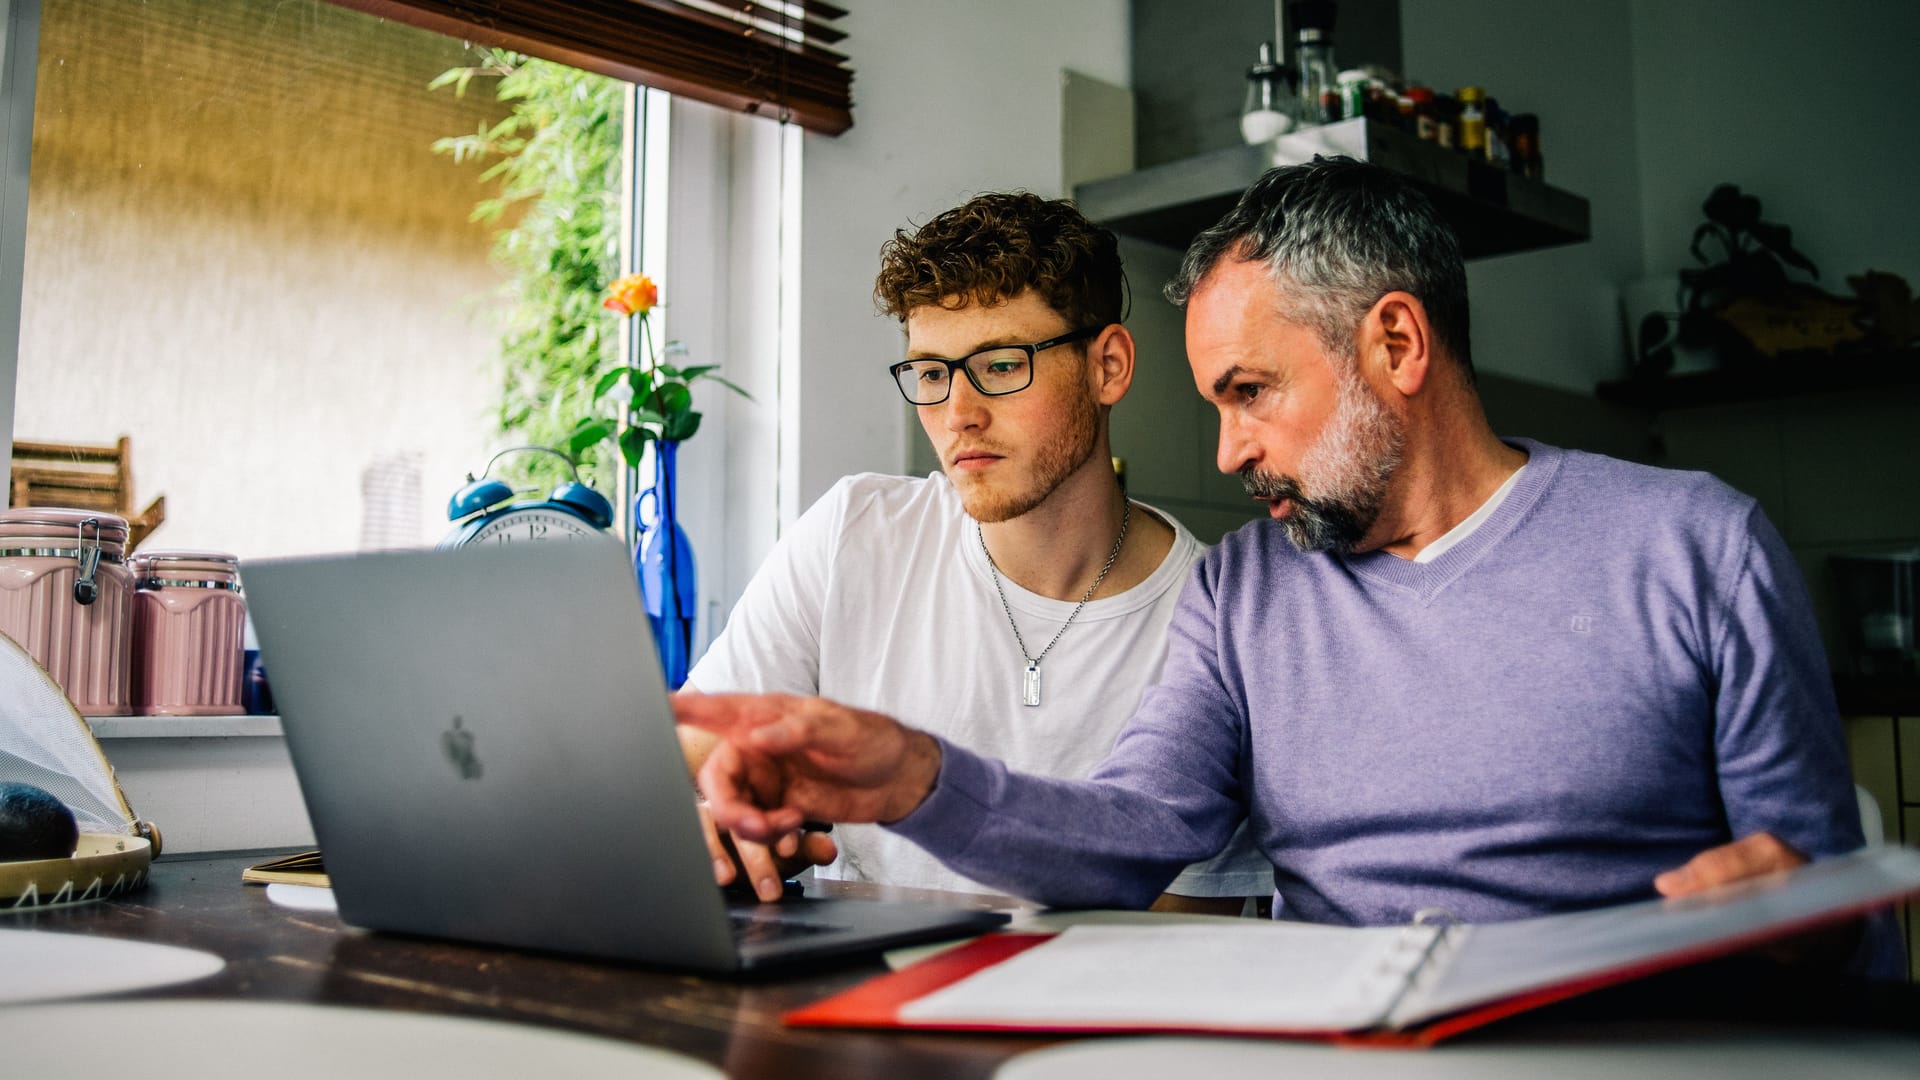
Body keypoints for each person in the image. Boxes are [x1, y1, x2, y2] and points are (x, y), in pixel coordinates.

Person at [678, 158, 1898, 975]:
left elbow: (1826, 904)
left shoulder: (1698, 548)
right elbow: (1131, 831)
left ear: (1398, 343)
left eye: (1251, 393)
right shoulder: (1246, 589)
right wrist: (914, 776)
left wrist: (1789, 923)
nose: (1226, 448)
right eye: (1216, 399)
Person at [680, 191, 1268, 908]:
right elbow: (692, 757)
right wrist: (710, 820)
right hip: (850, 1002)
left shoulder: (1214, 617)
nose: (958, 414)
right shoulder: (853, 531)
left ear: (1107, 366)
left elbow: (1178, 939)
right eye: (931, 373)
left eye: (999, 364)